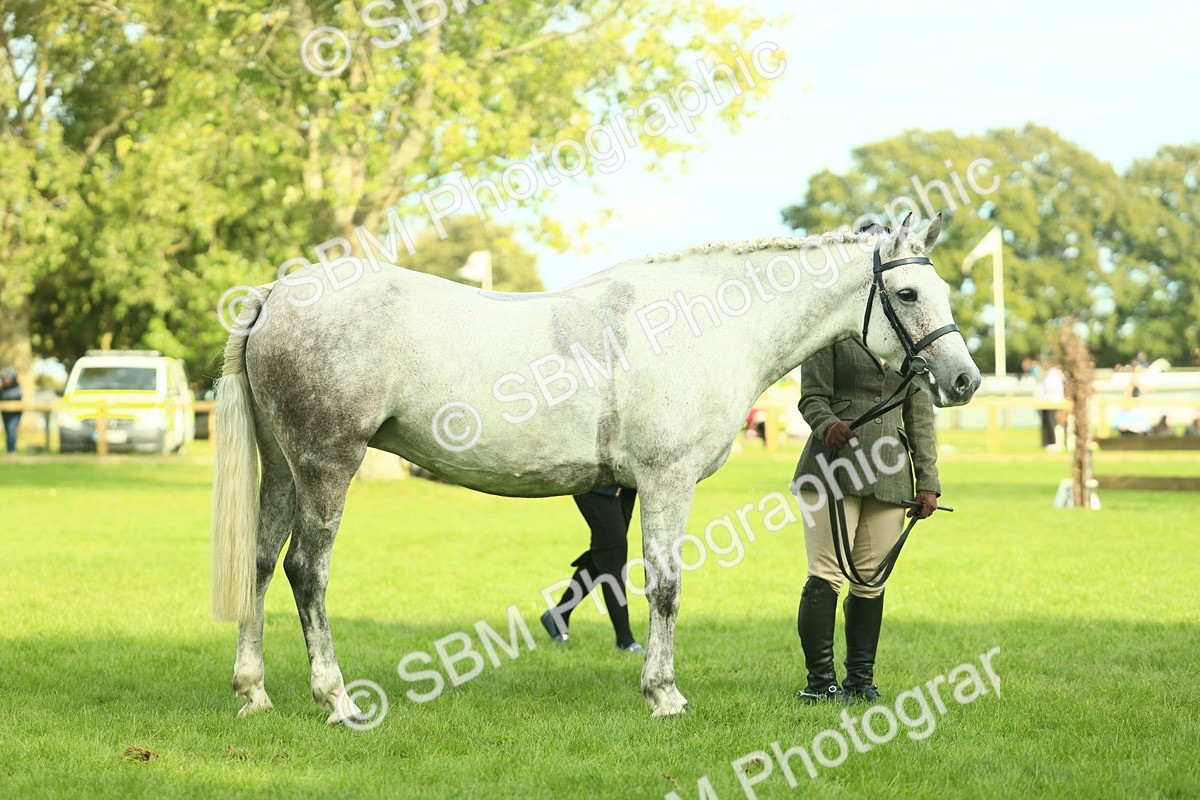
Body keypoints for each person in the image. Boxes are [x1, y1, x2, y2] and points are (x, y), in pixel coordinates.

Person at [790, 338, 940, 704]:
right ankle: (820, 683)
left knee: (872, 580)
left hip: (890, 475)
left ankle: (860, 680)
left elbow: (919, 415)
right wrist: (828, 425)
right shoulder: (833, 337)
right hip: (831, 466)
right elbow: (811, 397)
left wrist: (928, 482)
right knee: (826, 573)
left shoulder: (910, 346)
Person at [540, 487, 645, 653]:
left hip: (626, 485)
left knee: (605, 553)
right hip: (598, 485)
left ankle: (559, 615)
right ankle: (625, 641)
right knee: (613, 555)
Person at [1039, 363, 1065, 450]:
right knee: (1047, 422)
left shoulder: (1054, 374)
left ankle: (1053, 442)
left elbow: (1051, 388)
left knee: (1052, 422)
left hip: (1052, 401)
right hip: (1048, 402)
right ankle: (1048, 442)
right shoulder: (1051, 373)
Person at [0, 368, 21, 454]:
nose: (6, 380)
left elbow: (15, 397)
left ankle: (12, 450)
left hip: (15, 413)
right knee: (8, 430)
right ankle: (9, 449)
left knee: (12, 429)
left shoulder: (17, 387)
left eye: (8, 378)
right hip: (5, 413)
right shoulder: (2, 388)